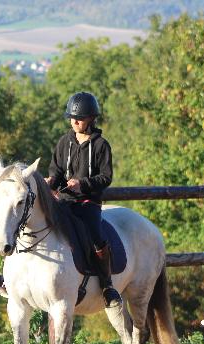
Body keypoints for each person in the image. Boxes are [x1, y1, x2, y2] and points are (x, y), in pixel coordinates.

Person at [47, 91, 121, 308]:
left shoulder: (101, 145)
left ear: (91, 119)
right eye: (71, 117)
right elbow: (57, 170)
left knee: (96, 236)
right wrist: (50, 180)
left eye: (79, 118)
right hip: (64, 200)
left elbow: (106, 177)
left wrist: (82, 184)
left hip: (89, 202)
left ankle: (107, 286)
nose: (74, 121)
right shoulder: (64, 142)